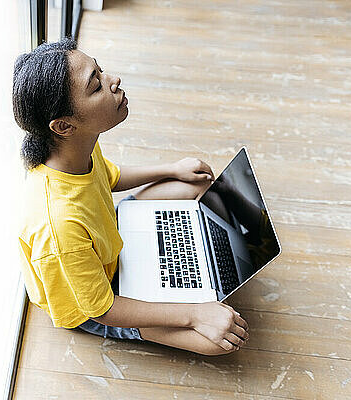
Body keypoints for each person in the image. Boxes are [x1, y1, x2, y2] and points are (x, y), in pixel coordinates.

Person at [13, 38, 249, 356]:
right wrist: (195, 312)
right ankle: (178, 285)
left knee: (196, 184)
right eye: (95, 86)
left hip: (111, 238)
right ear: (64, 125)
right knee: (216, 342)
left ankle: (173, 264)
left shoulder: (75, 147)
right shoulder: (59, 226)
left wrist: (172, 169)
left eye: (102, 71)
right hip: (99, 297)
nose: (114, 81)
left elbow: (111, 177)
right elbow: (101, 309)